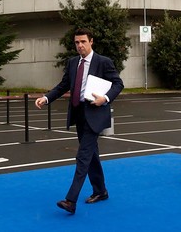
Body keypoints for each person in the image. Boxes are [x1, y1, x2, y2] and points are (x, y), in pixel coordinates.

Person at [35, 27, 124, 214]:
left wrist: (105, 99)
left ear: (91, 41)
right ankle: (101, 191)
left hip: (95, 114)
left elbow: (118, 84)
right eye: (77, 42)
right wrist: (47, 98)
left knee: (82, 156)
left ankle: (70, 200)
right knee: (91, 155)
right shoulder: (73, 63)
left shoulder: (103, 62)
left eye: (83, 41)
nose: (80, 45)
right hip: (78, 114)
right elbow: (63, 85)